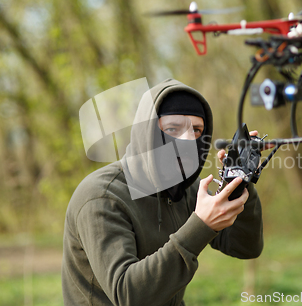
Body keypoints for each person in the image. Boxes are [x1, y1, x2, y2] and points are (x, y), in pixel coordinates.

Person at [61, 78, 264, 306]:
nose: (188, 139)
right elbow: (129, 295)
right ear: (146, 133)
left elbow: (246, 246)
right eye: (173, 129)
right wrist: (201, 225)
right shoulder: (102, 196)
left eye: (197, 130)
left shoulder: (188, 189)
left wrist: (239, 181)